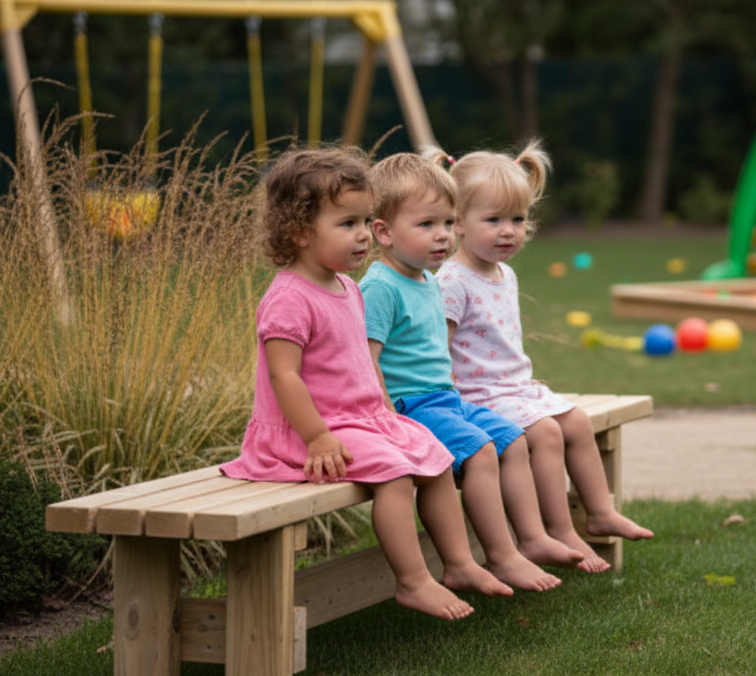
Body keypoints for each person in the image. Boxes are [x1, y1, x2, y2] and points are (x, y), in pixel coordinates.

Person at [221, 147, 513, 621]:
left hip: (360, 419)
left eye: (364, 221)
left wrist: (385, 412)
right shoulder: (289, 298)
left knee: (436, 456)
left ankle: (459, 565)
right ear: (298, 232)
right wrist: (318, 437)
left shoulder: (347, 287)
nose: (363, 235)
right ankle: (413, 581)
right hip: (308, 433)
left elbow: (359, 364)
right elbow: (283, 376)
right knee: (395, 474)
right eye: (347, 224)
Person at [360, 152, 586, 592]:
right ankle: (497, 557)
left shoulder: (426, 279)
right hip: (409, 406)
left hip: (444, 399)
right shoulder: (381, 287)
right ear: (384, 232)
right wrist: (387, 418)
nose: (443, 235)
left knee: (512, 440)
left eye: (448, 223)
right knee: (481, 451)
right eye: (427, 225)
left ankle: (532, 539)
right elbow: (365, 361)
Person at [433, 140, 654, 569]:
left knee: (577, 421)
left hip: (513, 388)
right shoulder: (452, 282)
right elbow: (439, 349)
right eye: (494, 220)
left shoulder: (505, 273)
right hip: (477, 396)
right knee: (548, 433)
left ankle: (600, 513)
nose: (508, 231)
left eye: (517, 219)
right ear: (458, 222)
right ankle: (557, 531)